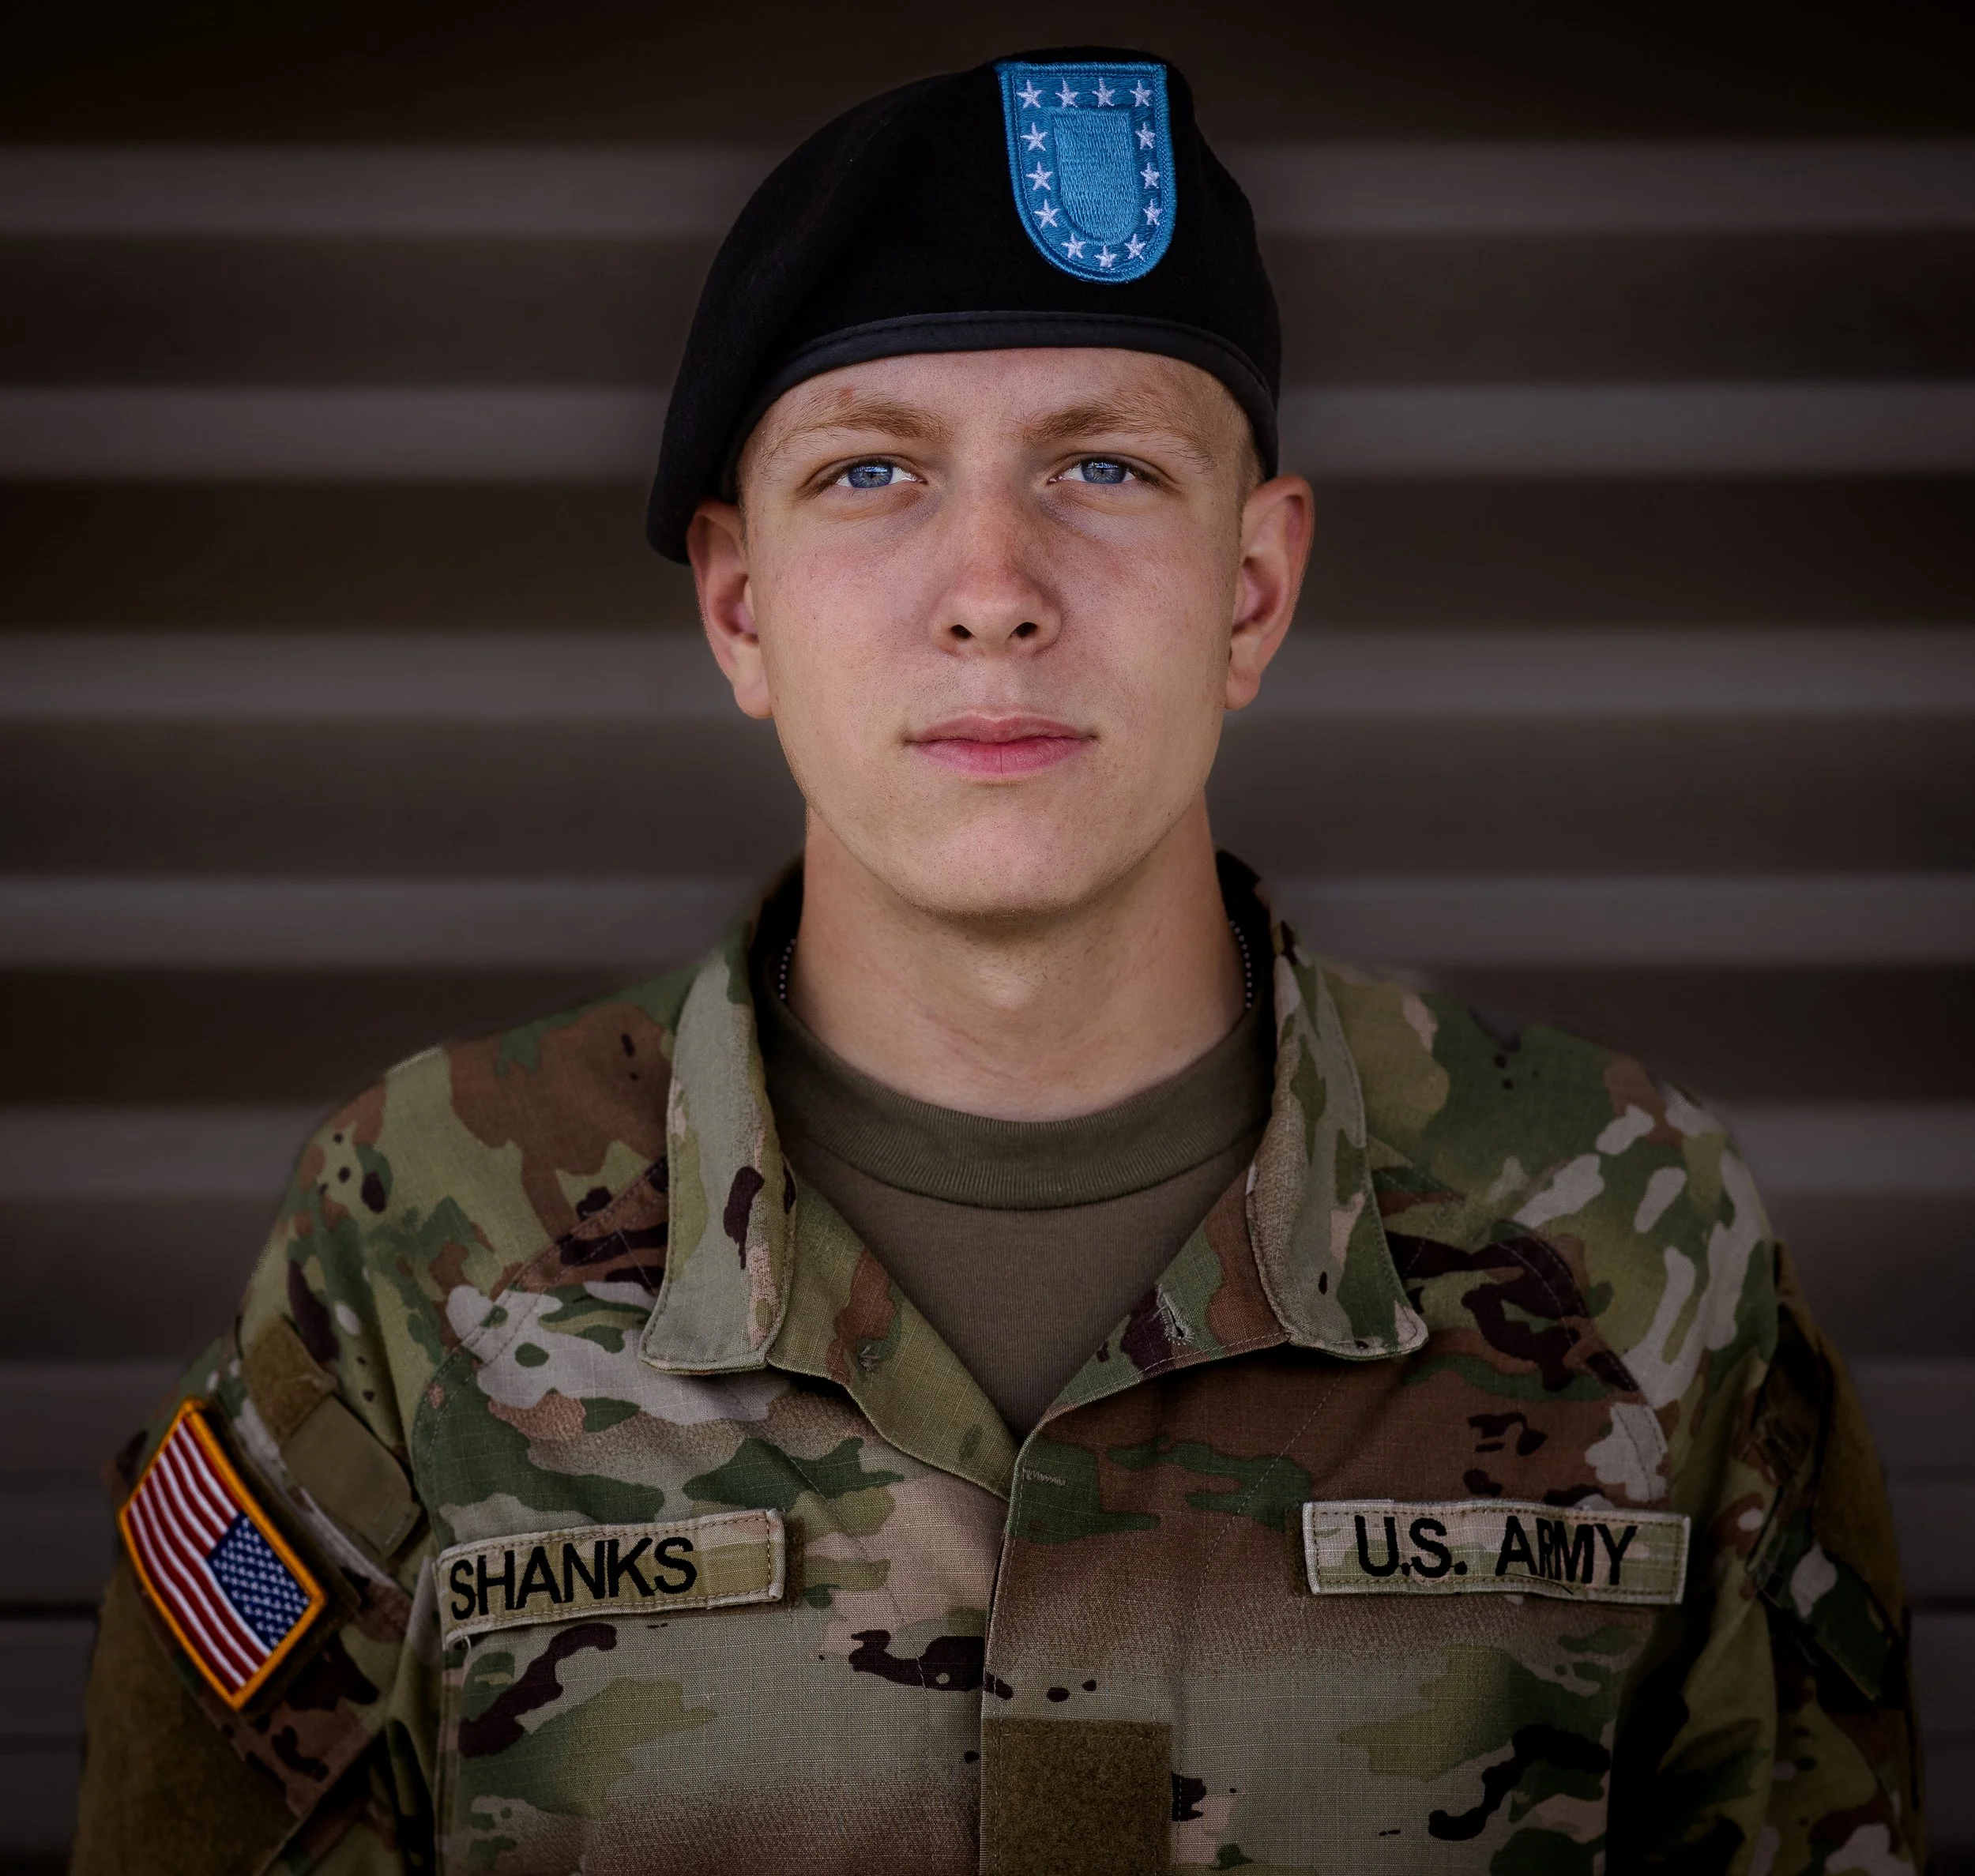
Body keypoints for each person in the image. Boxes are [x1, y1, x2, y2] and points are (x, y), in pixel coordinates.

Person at [71, 47, 1920, 1876]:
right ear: (738, 602)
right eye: (870, 470)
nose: (990, 588)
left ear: (1252, 586)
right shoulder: (410, 1238)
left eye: (1102, 465)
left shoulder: (1631, 1233)